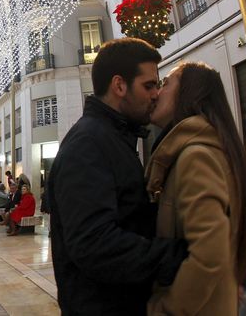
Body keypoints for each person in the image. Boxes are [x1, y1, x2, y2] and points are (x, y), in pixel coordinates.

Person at [48, 38, 188, 314]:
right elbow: (94, 243)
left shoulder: (111, 138)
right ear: (120, 86)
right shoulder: (88, 144)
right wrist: (178, 256)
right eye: (148, 85)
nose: (156, 94)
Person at [145, 62, 246, 314]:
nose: (157, 92)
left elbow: (210, 254)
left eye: (165, 83)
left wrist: (166, 308)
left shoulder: (195, 156)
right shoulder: (204, 148)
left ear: (189, 93)